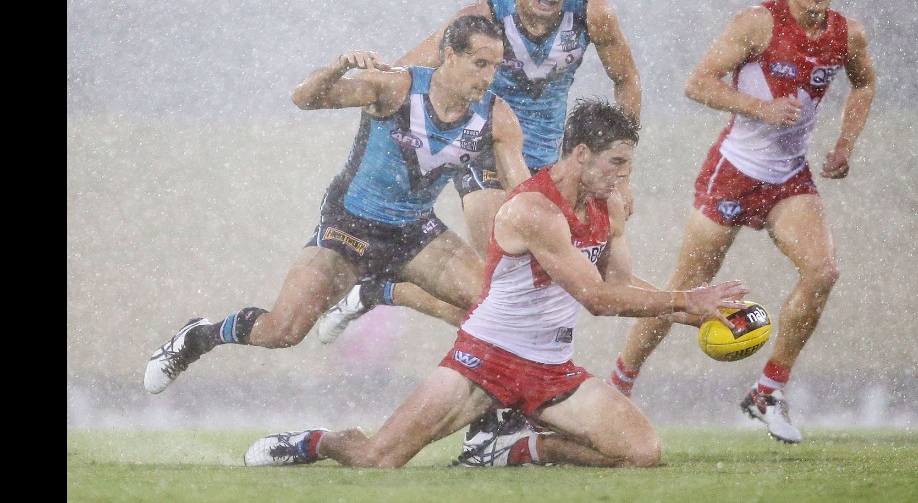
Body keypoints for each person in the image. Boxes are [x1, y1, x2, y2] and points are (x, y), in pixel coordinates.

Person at [243, 97, 750, 469]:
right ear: (578, 154)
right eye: (616, 163)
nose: (623, 177)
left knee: (642, 454)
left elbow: (621, 283)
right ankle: (317, 442)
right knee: (378, 459)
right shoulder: (533, 210)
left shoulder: (609, 203)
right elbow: (597, 299)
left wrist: (695, 313)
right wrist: (687, 298)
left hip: (551, 370)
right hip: (485, 360)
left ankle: (518, 447)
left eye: (628, 164)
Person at [143, 14, 530, 394]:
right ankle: (199, 336)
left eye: (495, 66)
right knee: (283, 332)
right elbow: (304, 98)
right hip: (350, 226)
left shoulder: (497, 117)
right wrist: (339, 65)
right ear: (449, 56)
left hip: (415, 232)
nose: (488, 77)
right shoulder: (396, 88)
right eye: (480, 64)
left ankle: (493, 411)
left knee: (495, 311)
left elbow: (525, 194)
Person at [314, 0, 643, 346]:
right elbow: (416, 63)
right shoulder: (486, 15)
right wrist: (371, 83)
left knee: (558, 282)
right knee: (498, 289)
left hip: (549, 157)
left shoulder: (594, 15)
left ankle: (381, 291)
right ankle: (494, 395)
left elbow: (627, 81)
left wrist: (624, 173)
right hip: (485, 150)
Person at [608, 0, 878, 444]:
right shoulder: (759, 22)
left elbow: (864, 84)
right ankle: (618, 385)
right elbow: (698, 83)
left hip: (789, 177)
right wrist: (760, 109)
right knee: (681, 294)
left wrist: (844, 145)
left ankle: (768, 391)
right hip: (733, 172)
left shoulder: (847, 34)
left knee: (822, 271)